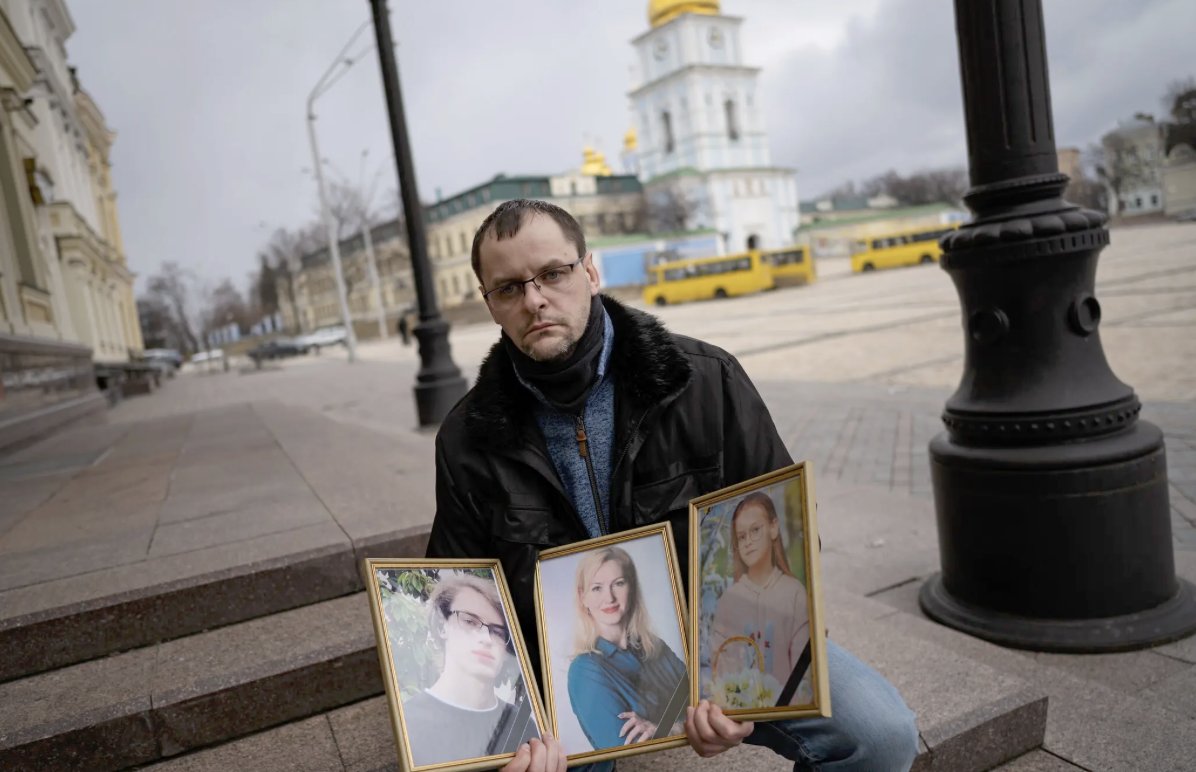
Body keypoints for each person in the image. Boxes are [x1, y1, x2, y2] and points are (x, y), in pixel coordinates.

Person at [427, 199, 918, 772]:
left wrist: (743, 690)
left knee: (881, 735)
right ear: (490, 303)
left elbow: (777, 543)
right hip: (570, 669)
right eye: (509, 288)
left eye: (553, 274)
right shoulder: (467, 438)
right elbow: (461, 589)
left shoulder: (705, 381)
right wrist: (503, 731)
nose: (534, 299)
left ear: (590, 271)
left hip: (720, 641)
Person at [401, 573, 539, 766]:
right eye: (469, 621)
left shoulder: (523, 725)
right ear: (442, 626)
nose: (486, 638)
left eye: (498, 632)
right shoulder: (408, 721)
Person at [566, 547, 688, 751]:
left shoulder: (655, 646)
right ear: (583, 597)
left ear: (632, 588)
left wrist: (663, 730)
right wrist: (687, 727)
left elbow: (709, 705)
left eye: (619, 583)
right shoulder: (584, 671)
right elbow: (633, 758)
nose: (610, 598)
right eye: (597, 588)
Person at [710, 491, 810, 703]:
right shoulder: (729, 600)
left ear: (773, 528)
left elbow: (805, 676)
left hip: (788, 711)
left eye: (755, 530)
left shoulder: (795, 593)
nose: (748, 542)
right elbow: (721, 668)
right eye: (741, 536)